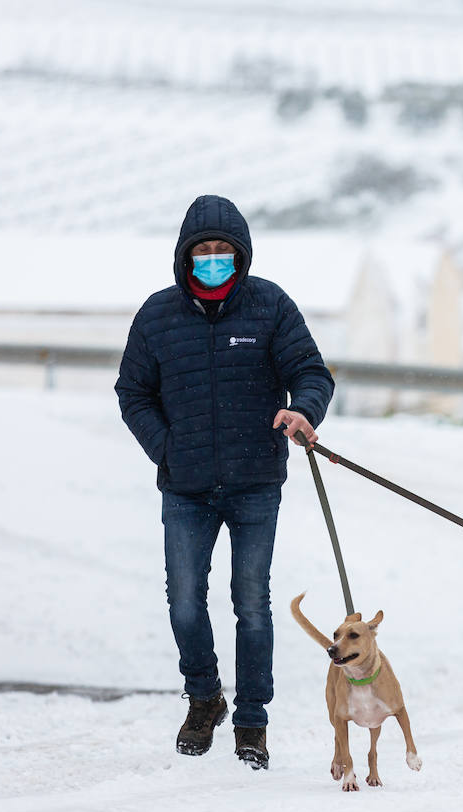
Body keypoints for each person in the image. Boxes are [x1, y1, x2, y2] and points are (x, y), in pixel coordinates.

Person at [115, 194, 334, 770]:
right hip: (185, 487)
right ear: (185, 257)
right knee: (185, 602)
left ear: (241, 255)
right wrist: (166, 448)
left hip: (255, 480)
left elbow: (310, 372)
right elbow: (132, 392)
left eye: (224, 251)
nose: (214, 259)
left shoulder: (270, 307)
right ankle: (205, 695)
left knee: (251, 605)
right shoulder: (157, 315)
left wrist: (304, 410)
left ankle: (252, 721)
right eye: (203, 251)